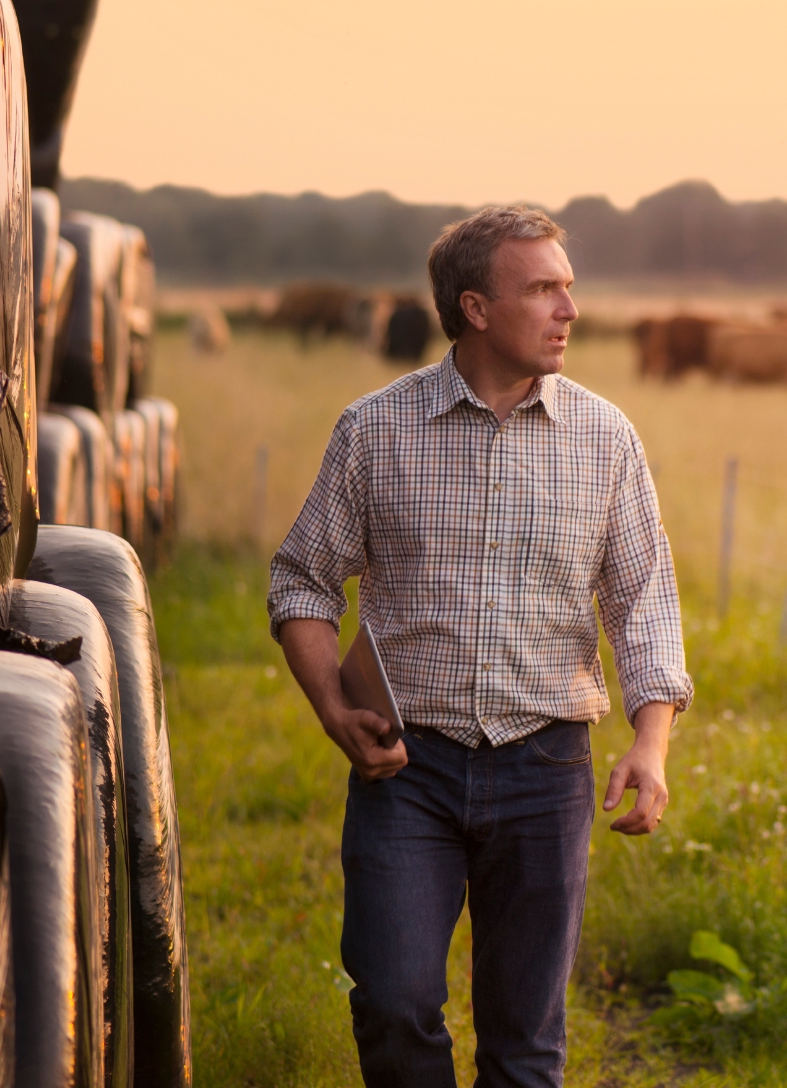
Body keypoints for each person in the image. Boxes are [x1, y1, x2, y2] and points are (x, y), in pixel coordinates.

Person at [268, 205, 691, 1088]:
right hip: (405, 773)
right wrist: (333, 709)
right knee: (391, 1002)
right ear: (475, 309)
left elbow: (643, 601)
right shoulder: (374, 431)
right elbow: (302, 581)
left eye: (568, 288)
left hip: (548, 773)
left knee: (525, 1041)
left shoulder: (606, 440)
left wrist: (651, 745)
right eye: (543, 289)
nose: (569, 310)